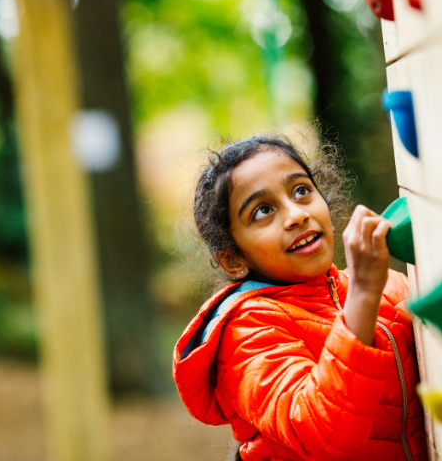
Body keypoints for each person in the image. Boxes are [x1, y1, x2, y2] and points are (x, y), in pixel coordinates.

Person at [173, 135, 426, 461]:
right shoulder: (247, 333)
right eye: (263, 211)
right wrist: (364, 292)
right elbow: (324, 430)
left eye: (301, 191)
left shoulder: (389, 287)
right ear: (233, 259)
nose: (296, 215)